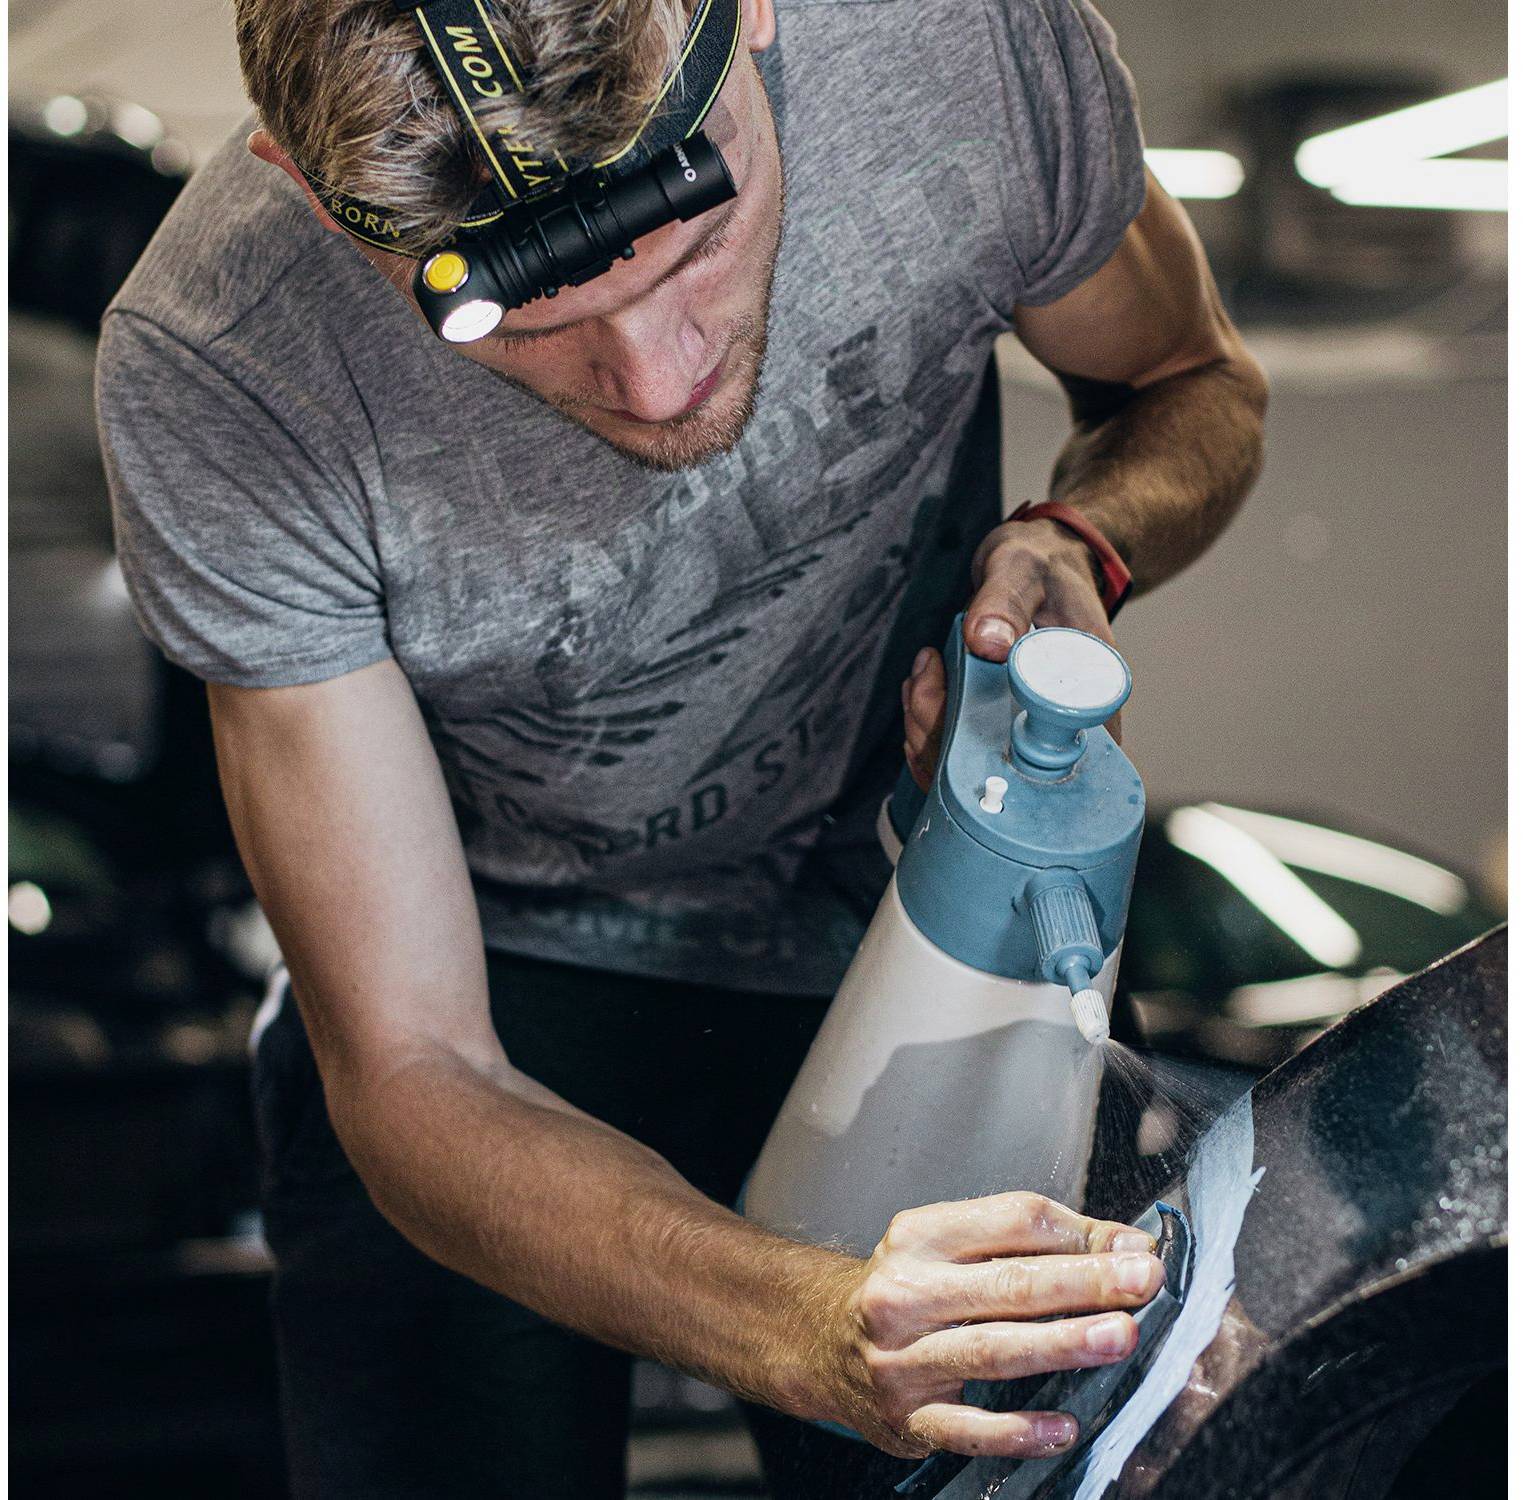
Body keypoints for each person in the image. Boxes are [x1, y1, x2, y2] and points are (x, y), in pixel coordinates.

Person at [96, 0, 1266, 1493]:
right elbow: (413, 1062)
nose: (656, 383)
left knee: (1056, 1449)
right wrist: (810, 1325)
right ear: (306, 183)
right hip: (502, 983)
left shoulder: (959, 42)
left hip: (910, 917)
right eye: (527, 316)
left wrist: (1079, 544)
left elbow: (1188, 382)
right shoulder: (225, 361)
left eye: (696, 237)